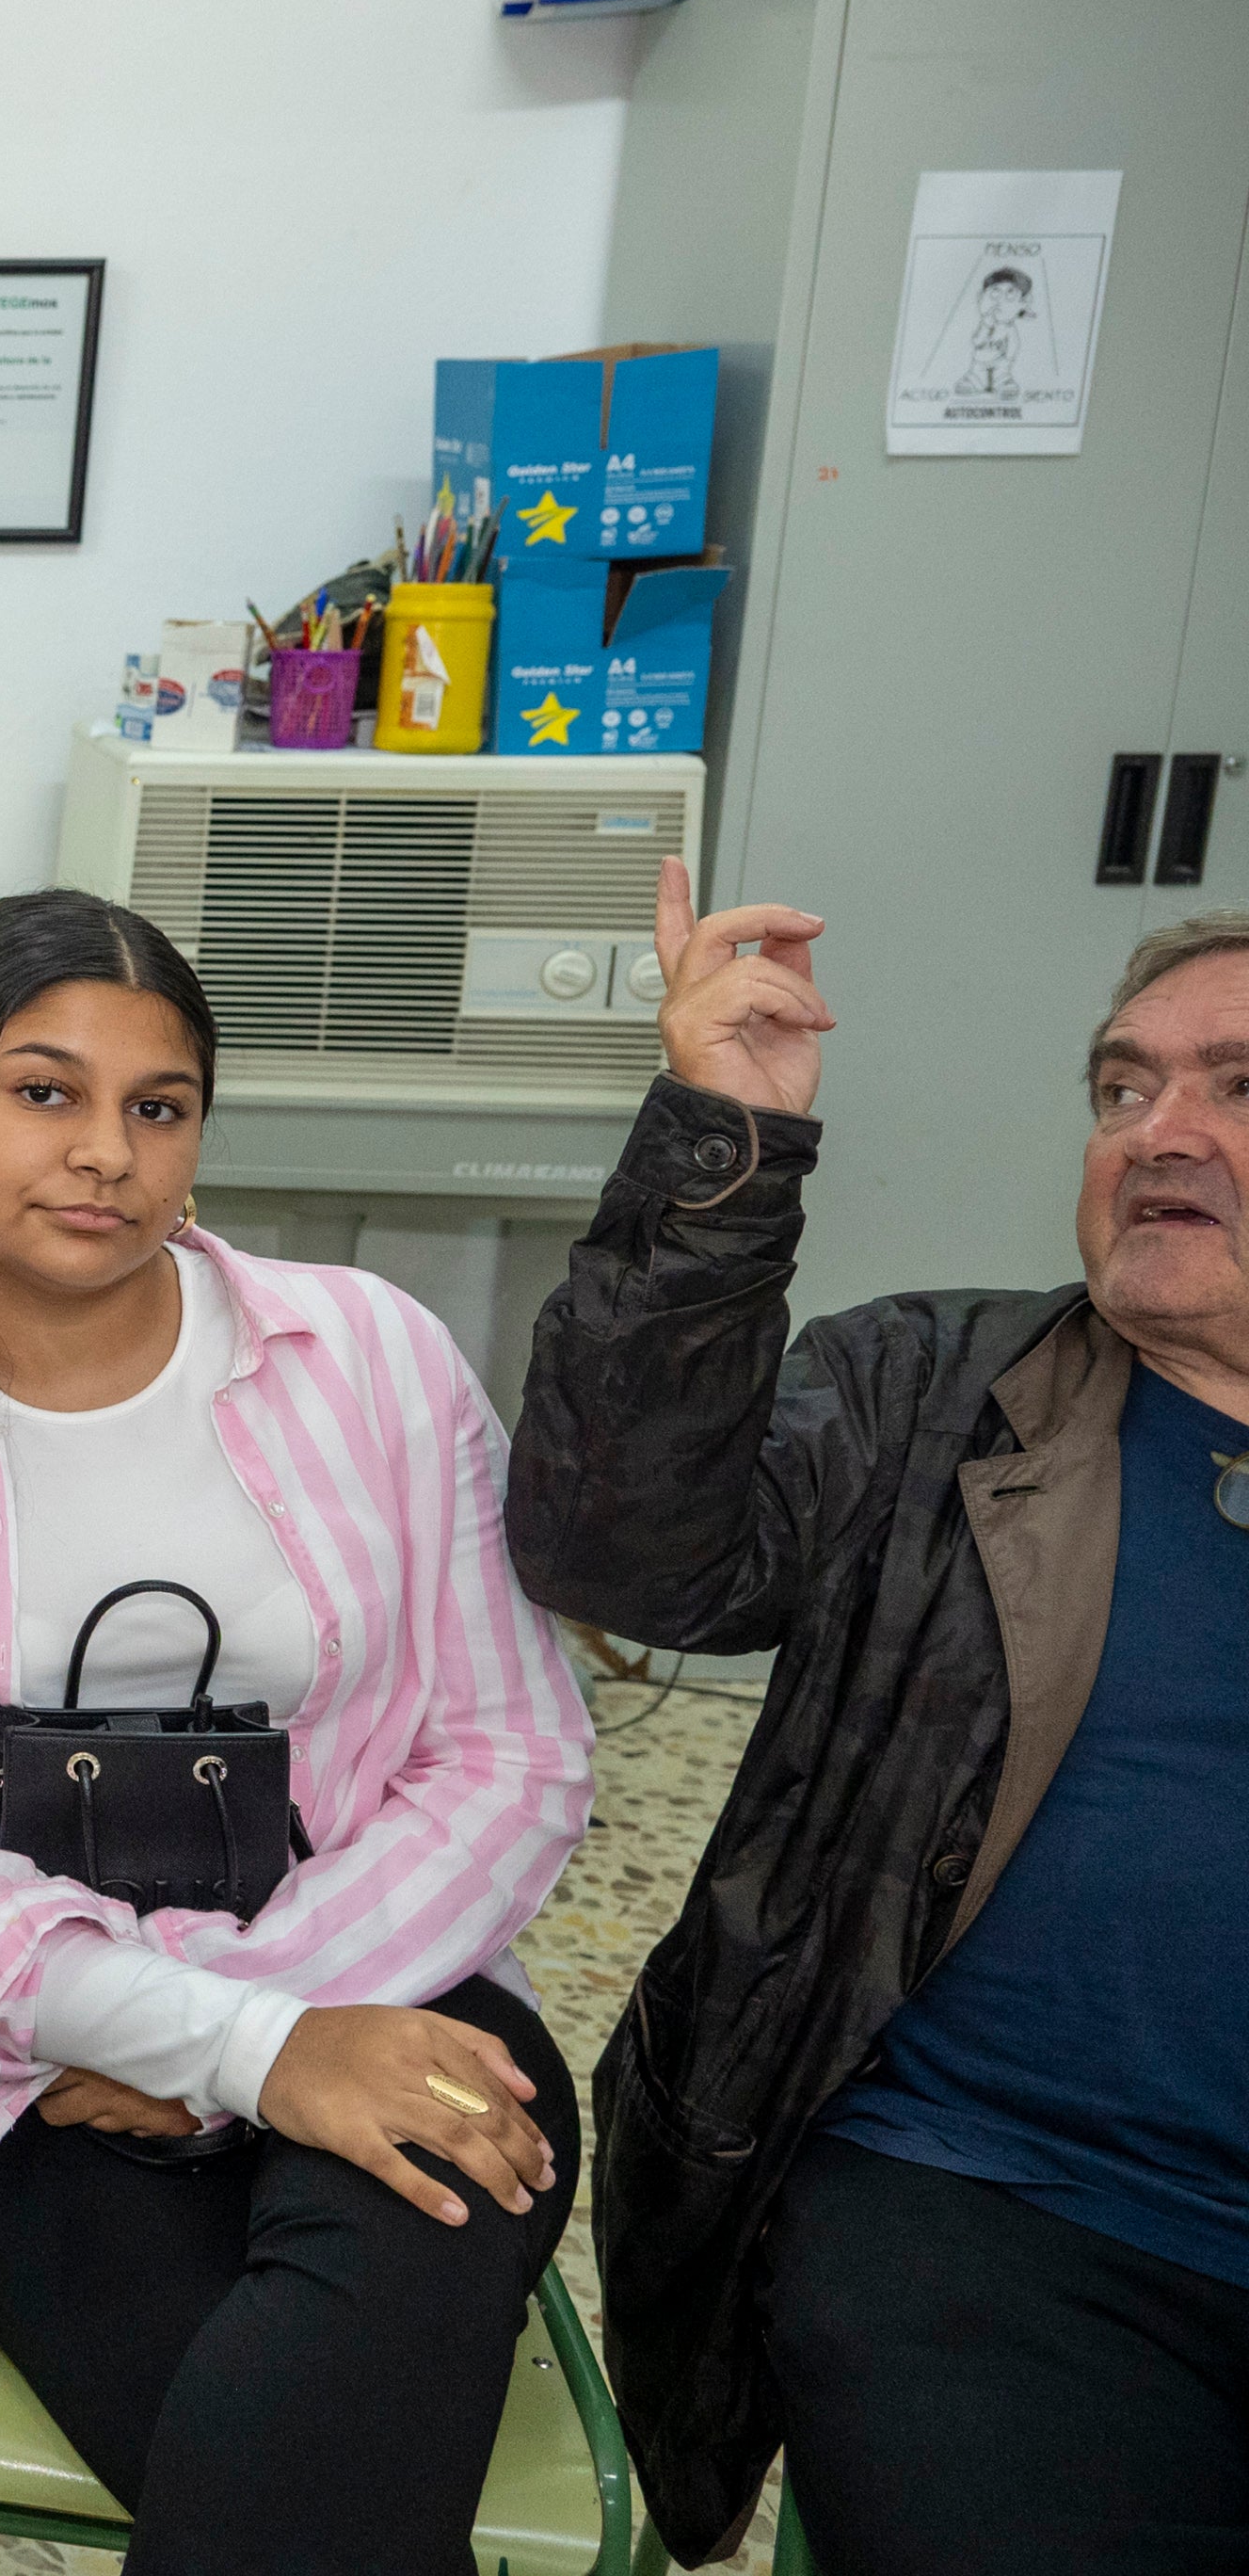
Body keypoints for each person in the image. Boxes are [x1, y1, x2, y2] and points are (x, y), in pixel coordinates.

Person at [0, 890, 594, 2575]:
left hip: (395, 1979)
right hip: (29, 2047)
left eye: (157, 1105)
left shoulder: (373, 1355)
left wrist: (250, 2026)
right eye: (43, 1092)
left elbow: (514, 1757)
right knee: (304, 2486)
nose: (104, 1150)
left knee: (306, 2457)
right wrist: (226, 2047)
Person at [505, 878, 1249, 2574]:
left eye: (1239, 1088)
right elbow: (611, 1548)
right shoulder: (934, 1394)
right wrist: (723, 1149)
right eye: (1123, 1089)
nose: (1157, 1134)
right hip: (998, 2206)